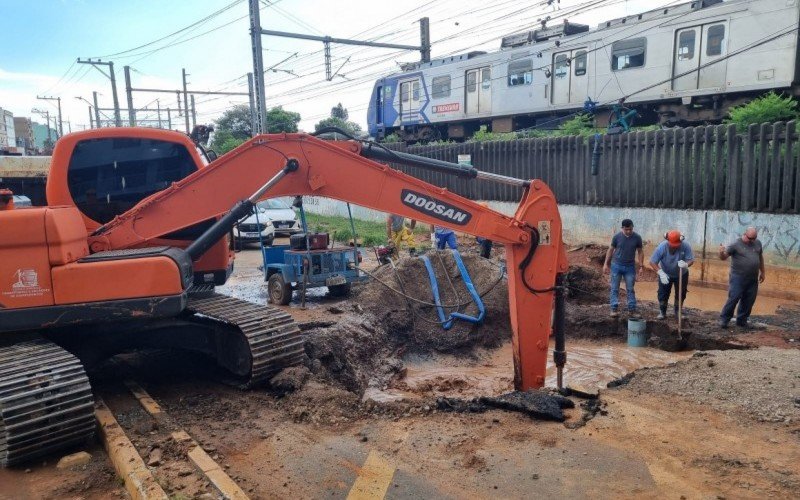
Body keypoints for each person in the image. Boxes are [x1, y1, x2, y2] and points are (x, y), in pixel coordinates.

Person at [718, 227, 766, 329]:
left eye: (754, 238)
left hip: (752, 278)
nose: (752, 241)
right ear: (744, 234)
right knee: (734, 298)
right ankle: (724, 319)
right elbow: (723, 257)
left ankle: (742, 320)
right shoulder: (735, 244)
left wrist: (763, 272)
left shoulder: (758, 243)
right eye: (750, 238)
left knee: (749, 300)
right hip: (738, 277)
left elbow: (760, 257)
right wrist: (721, 252)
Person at [602, 219, 644, 318]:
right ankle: (614, 308)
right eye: (626, 229)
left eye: (630, 229)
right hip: (616, 265)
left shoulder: (637, 238)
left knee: (630, 288)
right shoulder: (617, 237)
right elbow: (611, 250)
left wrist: (641, 266)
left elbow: (640, 251)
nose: (628, 231)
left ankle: (632, 310)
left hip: (630, 267)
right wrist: (605, 264)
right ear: (622, 228)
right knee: (614, 288)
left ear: (633, 227)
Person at [649, 230, 694, 320]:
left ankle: (677, 312)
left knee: (681, 293)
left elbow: (691, 260)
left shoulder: (685, 246)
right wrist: (660, 273)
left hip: (682, 273)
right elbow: (652, 262)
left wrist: (686, 264)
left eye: (676, 246)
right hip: (665, 273)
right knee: (663, 293)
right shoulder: (661, 247)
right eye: (672, 245)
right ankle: (662, 311)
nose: (674, 248)